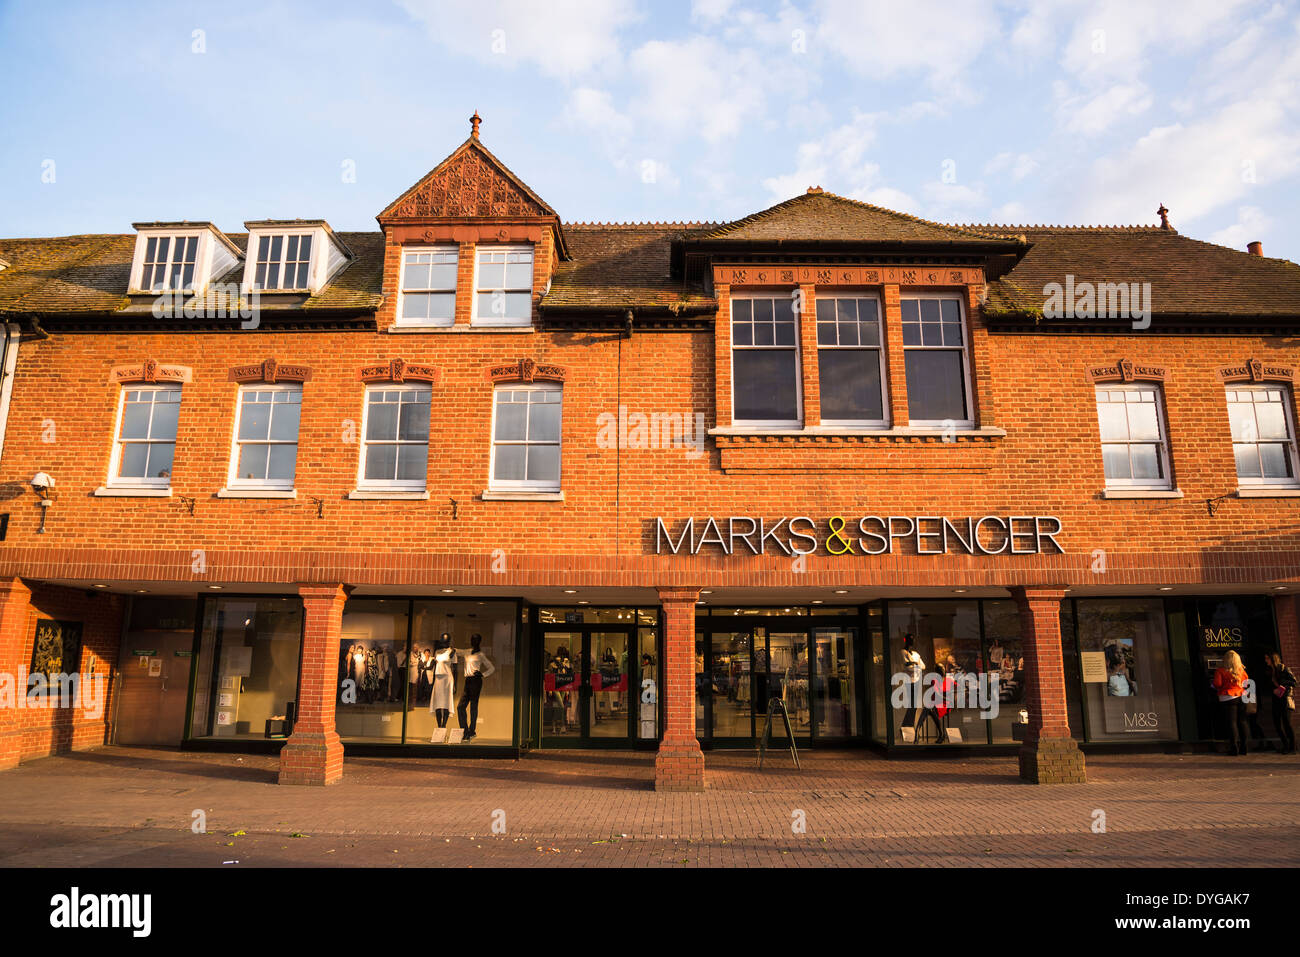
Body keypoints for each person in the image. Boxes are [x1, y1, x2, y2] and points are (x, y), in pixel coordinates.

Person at [456, 633, 495, 742]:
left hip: (476, 681)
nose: (474, 641)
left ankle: (472, 731)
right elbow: (457, 651)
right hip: (468, 680)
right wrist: (448, 648)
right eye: (472, 639)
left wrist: (483, 674)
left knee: (473, 706)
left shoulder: (480, 655)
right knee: (460, 707)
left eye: (476, 640)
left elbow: (491, 668)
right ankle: (465, 731)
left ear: (479, 641)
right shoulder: (467, 652)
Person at [1212, 650, 1250, 756]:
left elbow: (1217, 684)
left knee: (1232, 723)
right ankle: (1244, 748)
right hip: (1241, 696)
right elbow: (1246, 683)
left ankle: (1234, 748)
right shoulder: (1242, 670)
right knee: (1243, 722)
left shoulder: (1220, 670)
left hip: (1228, 698)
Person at [1265, 653, 1297, 754]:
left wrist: (1281, 685)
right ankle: (1285, 745)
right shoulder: (1269, 671)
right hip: (1276, 699)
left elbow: (1294, 682)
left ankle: (1293, 748)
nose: (1266, 660)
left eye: (1267, 658)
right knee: (1277, 724)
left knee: (1287, 724)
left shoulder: (1284, 669)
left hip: (1285, 699)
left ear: (1272, 659)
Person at [900, 634, 924, 738]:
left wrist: (913, 663)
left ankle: (908, 726)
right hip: (909, 681)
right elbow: (906, 666)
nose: (912, 641)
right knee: (911, 705)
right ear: (906, 640)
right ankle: (906, 726)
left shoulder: (916, 654)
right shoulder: (903, 652)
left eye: (913, 639)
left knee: (914, 706)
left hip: (917, 681)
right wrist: (913, 665)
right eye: (910, 639)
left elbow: (923, 666)